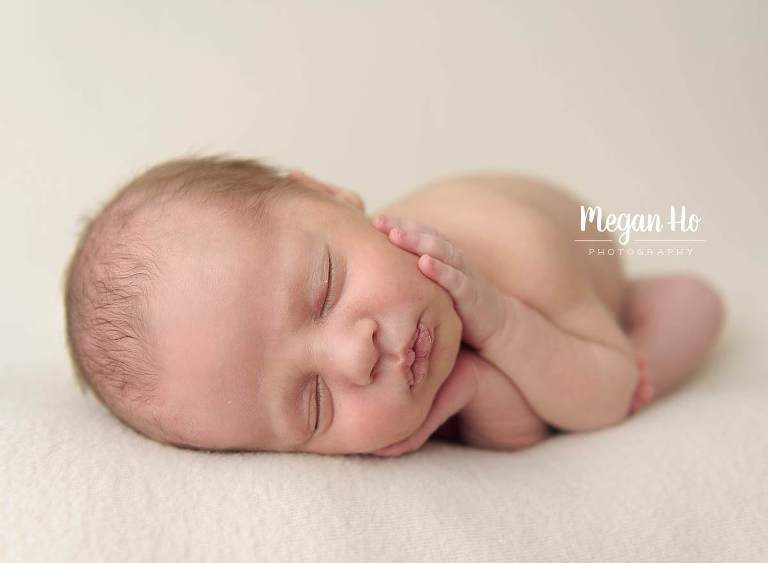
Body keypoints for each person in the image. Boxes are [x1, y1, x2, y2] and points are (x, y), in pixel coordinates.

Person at [62, 156, 725, 456]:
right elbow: (520, 434)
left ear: (330, 194)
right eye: (314, 403)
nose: (355, 354)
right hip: (539, 341)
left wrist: (496, 320)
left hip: (590, 280)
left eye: (325, 288)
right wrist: (474, 382)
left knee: (693, 303)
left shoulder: (515, 248)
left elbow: (601, 396)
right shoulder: (410, 359)